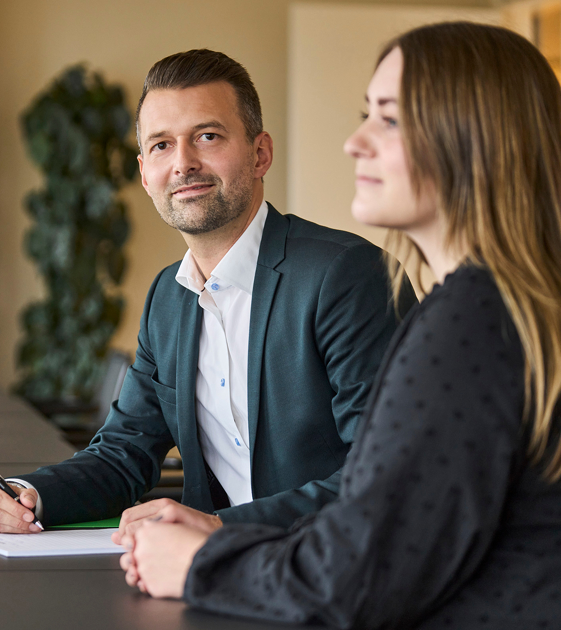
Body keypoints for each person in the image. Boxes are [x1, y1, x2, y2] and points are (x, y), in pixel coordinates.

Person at [122, 21, 561, 629]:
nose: (355, 142)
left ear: (475, 140)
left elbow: (362, 574)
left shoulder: (470, 323)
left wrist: (202, 561)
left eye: (388, 119)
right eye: (366, 116)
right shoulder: (500, 307)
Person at [0, 50, 416, 536]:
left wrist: (218, 526)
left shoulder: (346, 274)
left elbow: (384, 474)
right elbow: (124, 453)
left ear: (260, 153)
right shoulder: (168, 295)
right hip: (213, 576)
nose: (183, 163)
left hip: (330, 573)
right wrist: (26, 496)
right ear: (144, 174)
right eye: (162, 145)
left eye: (207, 136)